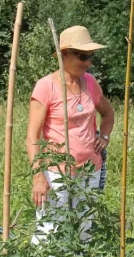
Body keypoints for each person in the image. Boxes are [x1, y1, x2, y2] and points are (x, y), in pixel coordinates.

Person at [26, 25, 115, 244]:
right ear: (63, 54)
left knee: (84, 229)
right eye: (82, 56)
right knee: (50, 231)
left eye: (90, 57)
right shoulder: (46, 87)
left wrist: (103, 137)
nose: (87, 63)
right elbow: (32, 137)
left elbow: (108, 113)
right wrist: (38, 177)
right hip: (57, 174)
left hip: (89, 171)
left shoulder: (90, 84)